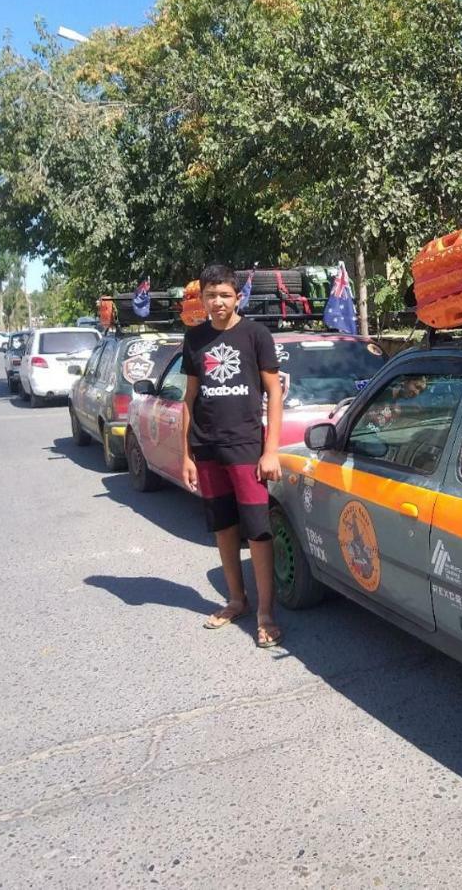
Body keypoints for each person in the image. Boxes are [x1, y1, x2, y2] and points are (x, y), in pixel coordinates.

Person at [180, 264, 285, 648]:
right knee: (223, 527)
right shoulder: (194, 339)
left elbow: (275, 392)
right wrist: (187, 454)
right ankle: (237, 600)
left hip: (246, 447)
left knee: (257, 529)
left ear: (236, 296)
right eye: (211, 295)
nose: (218, 302)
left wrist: (270, 450)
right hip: (207, 449)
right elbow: (189, 398)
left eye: (224, 294)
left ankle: (265, 612)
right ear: (202, 298)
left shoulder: (255, 334)